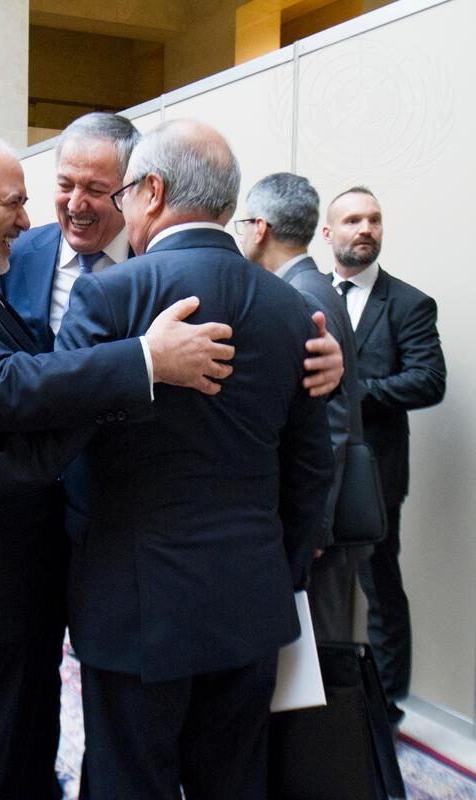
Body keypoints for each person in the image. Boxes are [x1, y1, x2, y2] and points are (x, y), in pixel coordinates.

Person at [0, 126, 238, 798]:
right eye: (16, 202)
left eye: (97, 187)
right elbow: (9, 390)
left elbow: (32, 404)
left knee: (22, 762)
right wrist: (144, 362)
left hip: (28, 576)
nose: (34, 218)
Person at [57, 120, 333, 799]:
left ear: (152, 191)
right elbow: (311, 472)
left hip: (133, 606)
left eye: (122, 193)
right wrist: (279, 571)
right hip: (252, 603)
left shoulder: (110, 294)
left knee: (129, 782)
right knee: (235, 782)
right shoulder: (293, 311)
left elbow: (57, 441)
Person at [325, 186, 446, 724]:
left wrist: (353, 389)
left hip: (375, 471)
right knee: (318, 583)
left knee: (380, 587)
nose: (365, 229)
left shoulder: (409, 303)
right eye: (353, 220)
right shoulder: (308, 293)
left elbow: (428, 381)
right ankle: (321, 698)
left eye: (374, 220)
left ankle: (387, 708)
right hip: (314, 468)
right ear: (328, 233)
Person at [238, 172, 365, 641]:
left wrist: (314, 525)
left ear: (261, 227)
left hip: (319, 523)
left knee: (320, 653)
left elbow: (327, 421)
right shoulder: (316, 286)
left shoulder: (301, 295)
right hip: (319, 514)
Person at [0, 112, 139, 351]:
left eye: (94, 190)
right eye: (66, 186)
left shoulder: (155, 263)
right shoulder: (16, 254)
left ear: (128, 190)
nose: (74, 205)